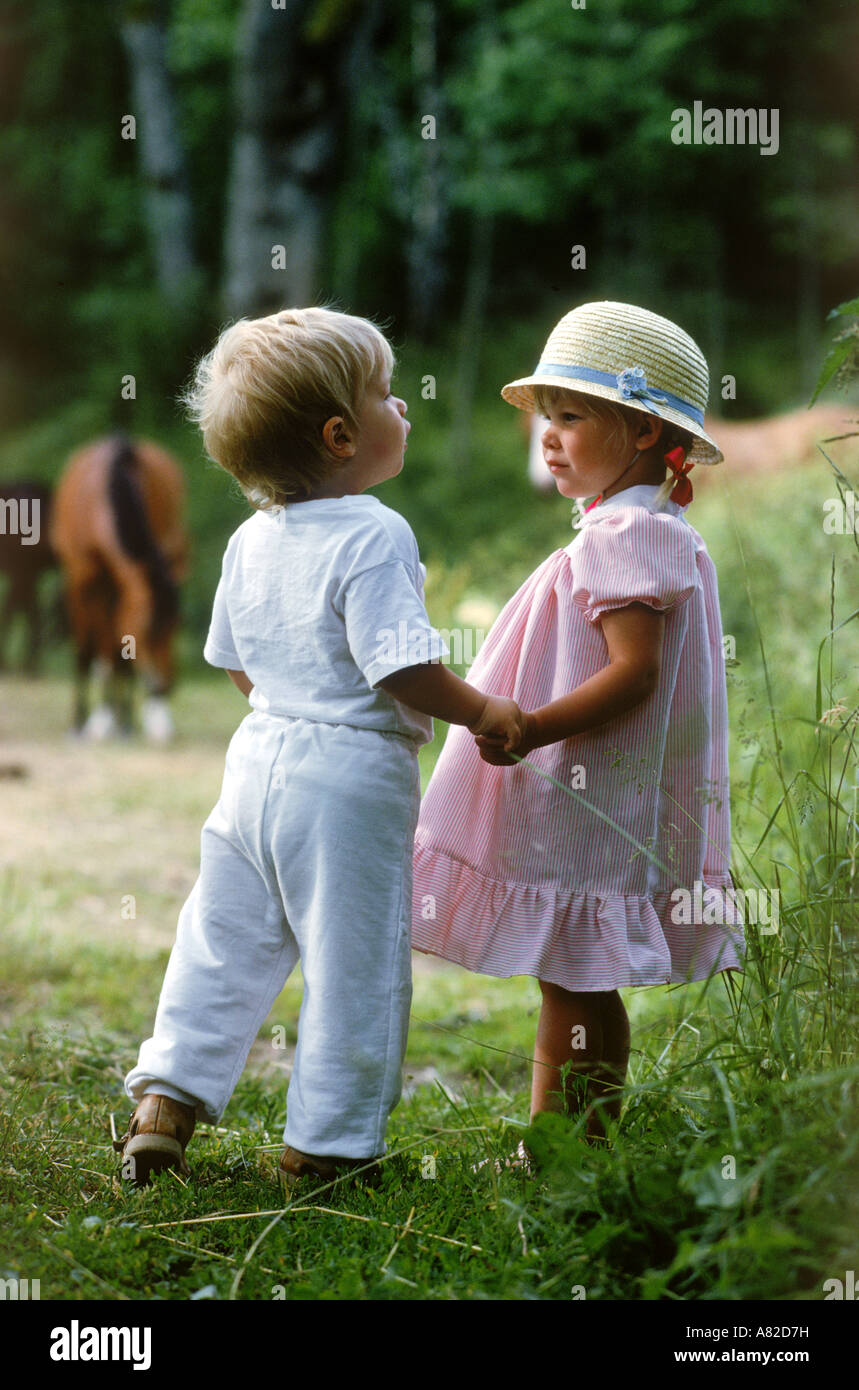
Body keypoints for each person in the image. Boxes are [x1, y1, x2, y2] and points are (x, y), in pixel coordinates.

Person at [114, 306, 524, 1189]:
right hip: (349, 781)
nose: (403, 406)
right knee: (355, 961)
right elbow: (403, 670)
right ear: (341, 435)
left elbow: (233, 663)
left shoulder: (249, 539)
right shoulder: (375, 532)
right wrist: (484, 709)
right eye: (386, 393)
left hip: (254, 763)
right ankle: (328, 1146)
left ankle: (165, 1103)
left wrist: (288, 707)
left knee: (220, 938)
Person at [412, 300, 745, 1156]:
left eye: (569, 416)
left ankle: (570, 1148)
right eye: (544, 418)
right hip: (603, 783)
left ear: (638, 431)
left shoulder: (627, 532)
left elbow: (634, 674)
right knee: (572, 973)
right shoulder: (635, 527)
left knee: (575, 975)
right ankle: (564, 1140)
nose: (547, 437)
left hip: (590, 781)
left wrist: (530, 725)